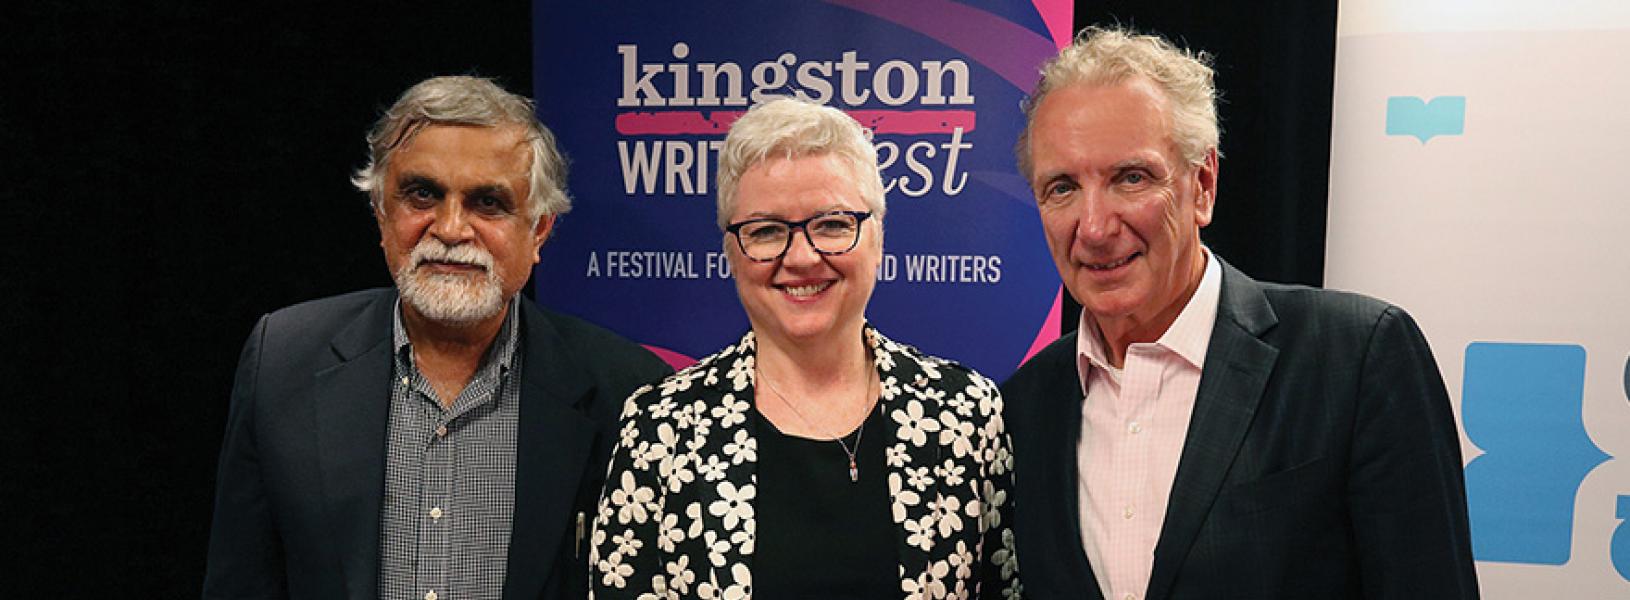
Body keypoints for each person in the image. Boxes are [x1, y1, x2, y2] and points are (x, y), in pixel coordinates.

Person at [1001, 27, 1479, 599]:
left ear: (1202, 185)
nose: (1096, 227)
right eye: (1062, 188)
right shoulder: (1023, 407)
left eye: (1131, 178)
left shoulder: (1356, 358)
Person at [203, 76, 673, 600]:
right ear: (381, 211)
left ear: (539, 230)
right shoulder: (283, 359)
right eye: (422, 194)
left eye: (488, 203)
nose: (450, 228)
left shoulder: (629, 391)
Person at [588, 97, 1020, 599]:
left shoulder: (965, 413)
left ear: (877, 237)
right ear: (732, 251)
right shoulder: (660, 424)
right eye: (767, 231)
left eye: (832, 224)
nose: (801, 256)